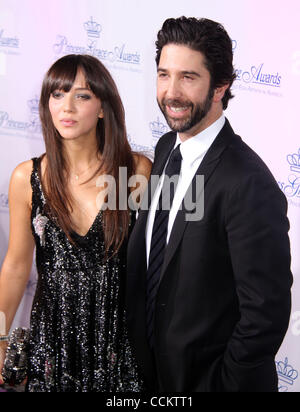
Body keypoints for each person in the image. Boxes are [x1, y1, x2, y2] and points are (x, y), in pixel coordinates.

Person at [126, 17, 293, 392]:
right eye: (163, 74)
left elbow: (265, 314)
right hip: (153, 378)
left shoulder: (248, 182)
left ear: (220, 87)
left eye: (188, 77)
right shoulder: (167, 148)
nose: (171, 92)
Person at [0, 54, 151, 392]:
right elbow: (14, 266)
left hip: (119, 349)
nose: (66, 106)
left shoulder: (136, 172)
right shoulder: (27, 177)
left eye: (81, 95)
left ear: (102, 107)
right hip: (50, 350)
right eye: (57, 94)